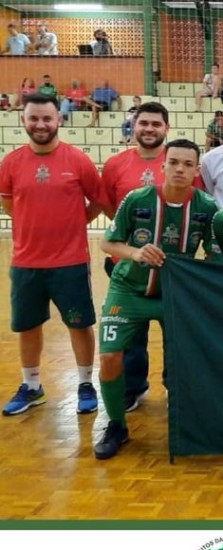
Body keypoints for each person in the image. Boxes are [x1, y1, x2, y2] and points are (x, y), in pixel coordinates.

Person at [93, 139, 218, 460]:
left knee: (180, 364)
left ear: (196, 170)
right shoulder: (137, 199)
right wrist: (135, 252)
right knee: (109, 358)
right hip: (128, 290)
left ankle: (184, 423)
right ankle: (116, 425)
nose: (180, 169)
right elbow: (108, 243)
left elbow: (216, 254)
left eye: (187, 164)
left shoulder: (206, 207)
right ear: (162, 166)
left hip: (176, 295)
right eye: (174, 162)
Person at [0, 93, 108, 417]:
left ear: (58, 120)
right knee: (27, 326)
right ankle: (32, 386)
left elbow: (100, 201)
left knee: (80, 324)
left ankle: (86, 383)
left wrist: (74, 223)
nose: (41, 124)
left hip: (70, 262)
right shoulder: (10, 163)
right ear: (24, 120)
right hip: (25, 263)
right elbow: (8, 202)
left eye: (47, 118)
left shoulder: (78, 160)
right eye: (34, 118)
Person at [95, 102, 172, 412]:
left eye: (156, 124)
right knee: (131, 336)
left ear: (166, 128)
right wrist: (132, 244)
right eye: (144, 123)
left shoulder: (179, 160)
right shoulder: (115, 165)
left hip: (170, 271)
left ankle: (175, 388)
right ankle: (133, 388)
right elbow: (111, 209)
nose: (149, 129)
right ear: (133, 126)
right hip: (126, 268)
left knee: (176, 335)